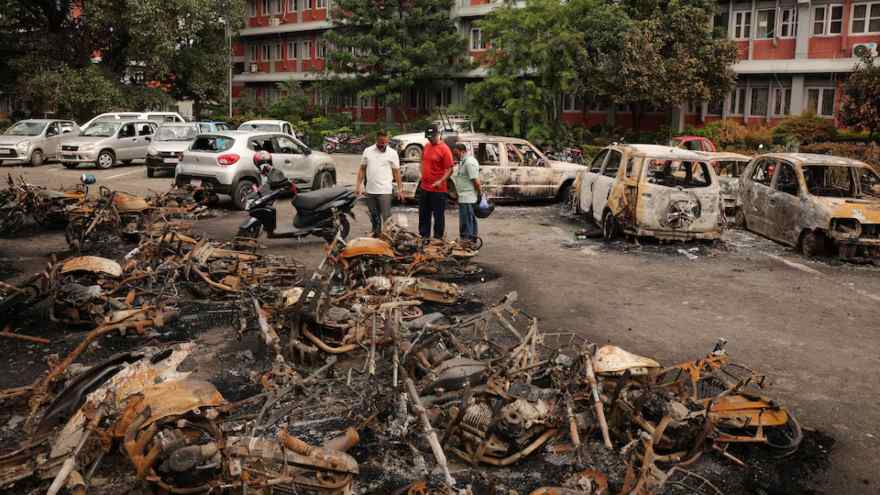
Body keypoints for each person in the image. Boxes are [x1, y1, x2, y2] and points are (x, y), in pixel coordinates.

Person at [355, 131, 404, 236]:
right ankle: (376, 234)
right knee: (374, 215)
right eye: (380, 143)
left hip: (385, 190)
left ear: (387, 140)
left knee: (386, 216)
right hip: (370, 190)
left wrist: (400, 190)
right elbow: (362, 169)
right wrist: (358, 186)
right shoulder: (368, 151)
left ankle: (388, 237)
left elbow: (396, 172)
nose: (382, 146)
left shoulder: (392, 153)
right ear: (376, 140)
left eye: (384, 143)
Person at [418, 125, 454, 239]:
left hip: (438, 190)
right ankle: (424, 237)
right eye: (428, 137)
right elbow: (422, 160)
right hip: (424, 187)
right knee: (424, 214)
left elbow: (450, 169)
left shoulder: (444, 149)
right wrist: (421, 173)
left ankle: (438, 238)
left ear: (437, 134)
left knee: (438, 215)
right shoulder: (427, 146)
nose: (429, 139)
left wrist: (441, 180)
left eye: (431, 137)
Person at [451, 142, 481, 242]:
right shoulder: (463, 162)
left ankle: (468, 242)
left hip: (468, 197)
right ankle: (470, 241)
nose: (456, 156)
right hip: (464, 197)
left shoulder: (469, 163)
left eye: (457, 153)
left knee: (467, 221)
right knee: (468, 220)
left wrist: (480, 194)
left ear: (463, 151)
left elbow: (475, 181)